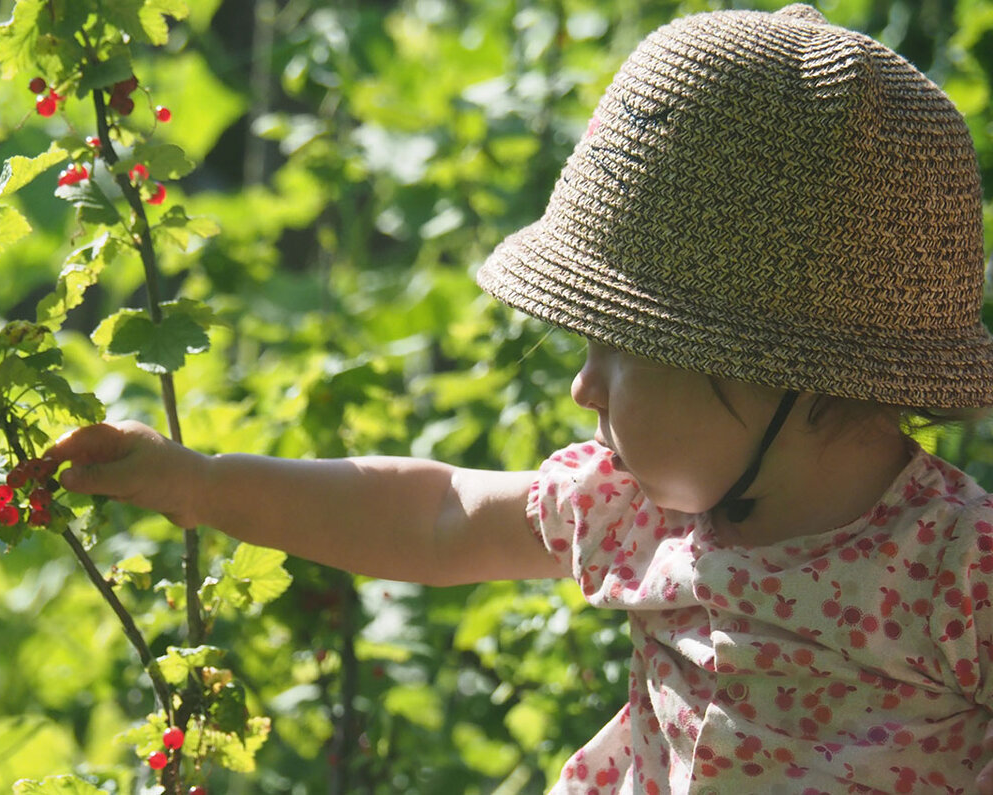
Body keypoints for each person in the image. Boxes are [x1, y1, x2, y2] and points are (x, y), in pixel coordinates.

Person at [48, 5, 993, 793]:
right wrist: (197, 481)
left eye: (618, 348)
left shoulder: (958, 568)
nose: (583, 385)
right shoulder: (645, 510)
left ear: (771, 364)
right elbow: (435, 518)